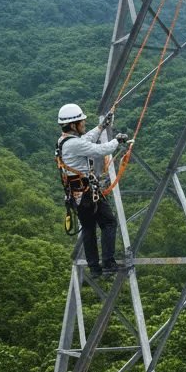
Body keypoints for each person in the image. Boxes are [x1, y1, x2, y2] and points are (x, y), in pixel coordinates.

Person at [56, 103, 130, 277]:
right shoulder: (73, 144)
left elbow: (86, 140)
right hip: (88, 194)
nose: (83, 124)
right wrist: (117, 141)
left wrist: (101, 127)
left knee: (89, 228)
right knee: (109, 223)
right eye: (81, 122)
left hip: (76, 195)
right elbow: (99, 150)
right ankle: (108, 263)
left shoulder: (64, 141)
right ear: (74, 125)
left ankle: (95, 268)